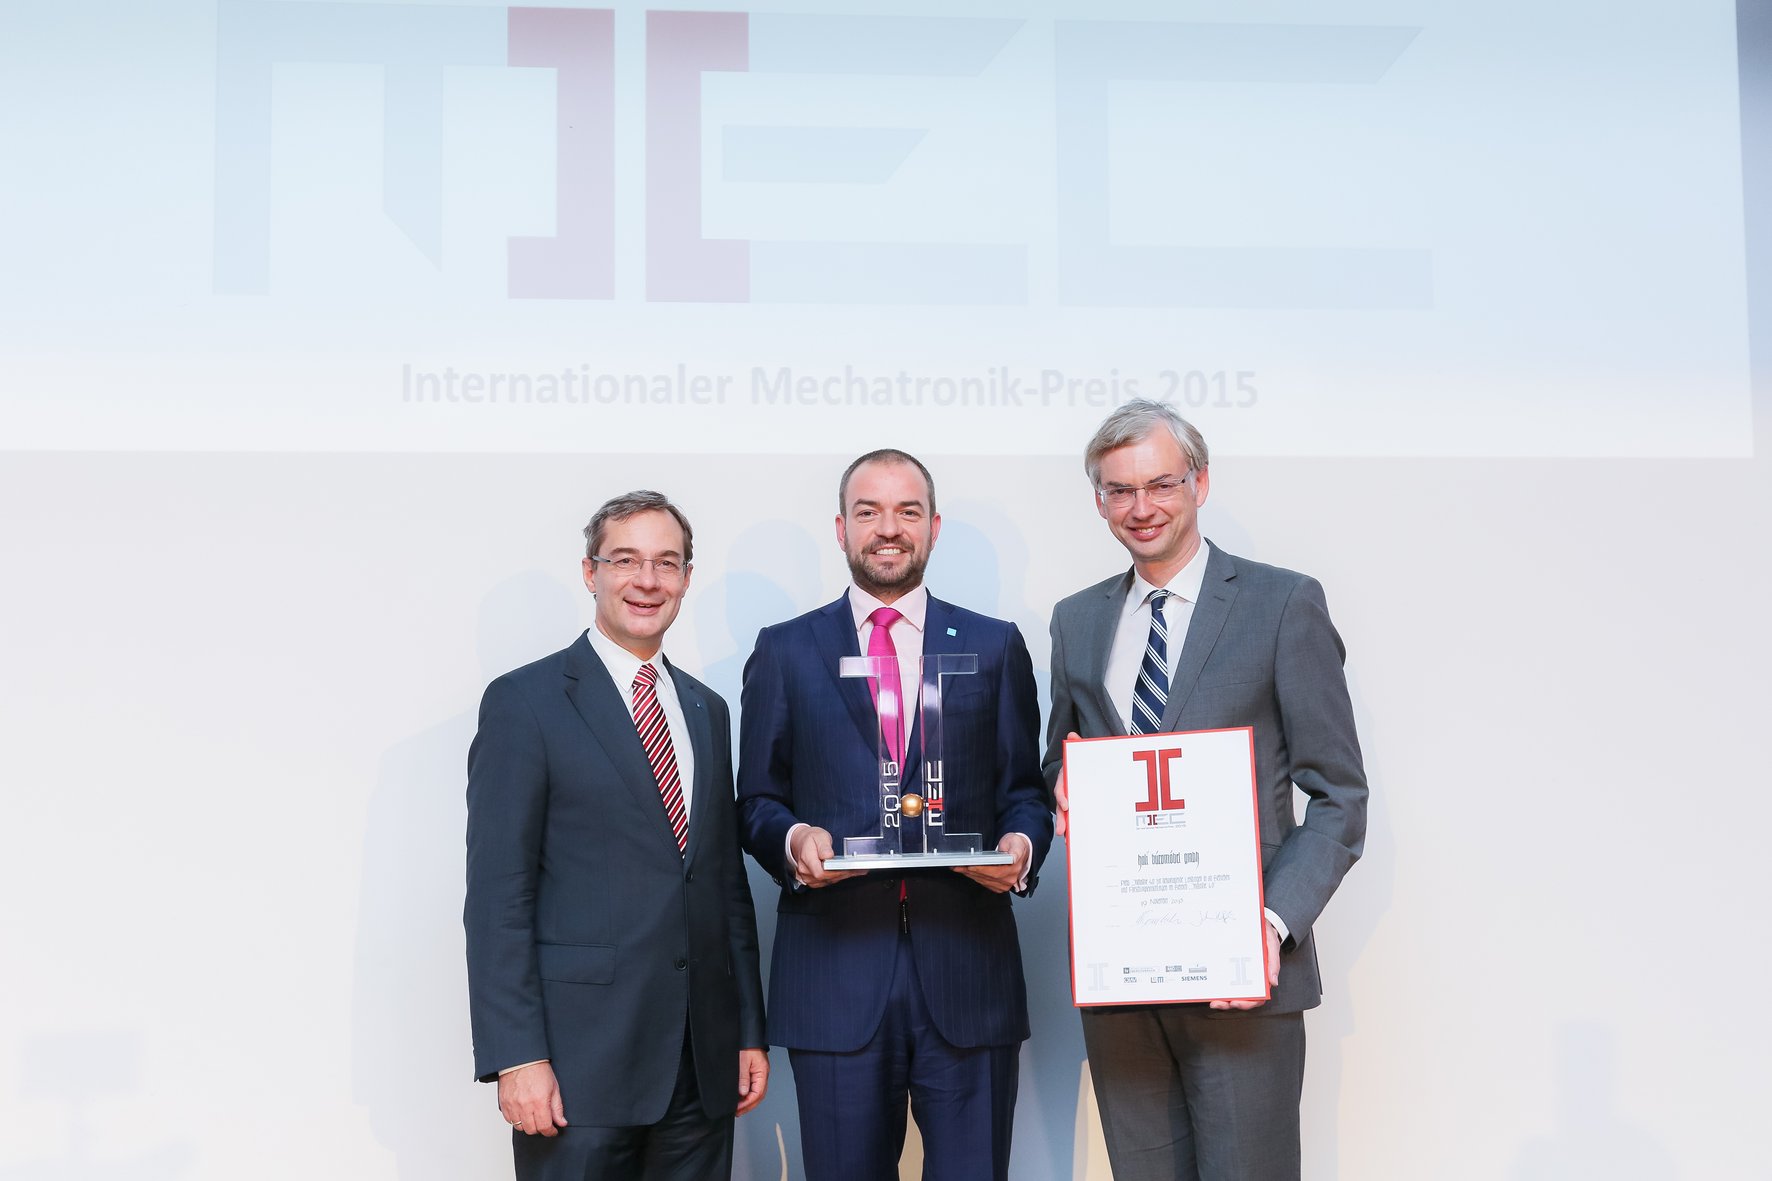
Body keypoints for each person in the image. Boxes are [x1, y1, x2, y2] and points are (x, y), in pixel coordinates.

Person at [1045, 401, 1368, 1181]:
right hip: (1121, 977)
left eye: (1161, 483)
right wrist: (1060, 784)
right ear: (1098, 500)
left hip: (1243, 972)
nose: (1142, 506)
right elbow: (1058, 759)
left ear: (1200, 482)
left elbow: (1339, 795)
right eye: (1120, 490)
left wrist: (1270, 924)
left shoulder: (1282, 603)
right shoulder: (1076, 620)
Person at [736, 449, 1053, 1181]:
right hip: (834, 976)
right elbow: (756, 801)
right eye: (869, 512)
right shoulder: (785, 650)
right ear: (841, 528)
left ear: (934, 527)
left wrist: (1021, 846)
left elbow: (1025, 792)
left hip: (969, 973)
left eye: (908, 511)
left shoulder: (994, 644)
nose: (888, 528)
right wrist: (793, 838)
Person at [464, 490, 768, 1181]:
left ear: (687, 577)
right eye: (625, 560)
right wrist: (518, 1055)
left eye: (667, 562)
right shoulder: (525, 702)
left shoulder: (707, 709)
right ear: (590, 572)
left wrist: (748, 1029)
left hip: (701, 1063)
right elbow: (498, 898)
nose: (647, 580)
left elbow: (725, 887)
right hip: (579, 1067)